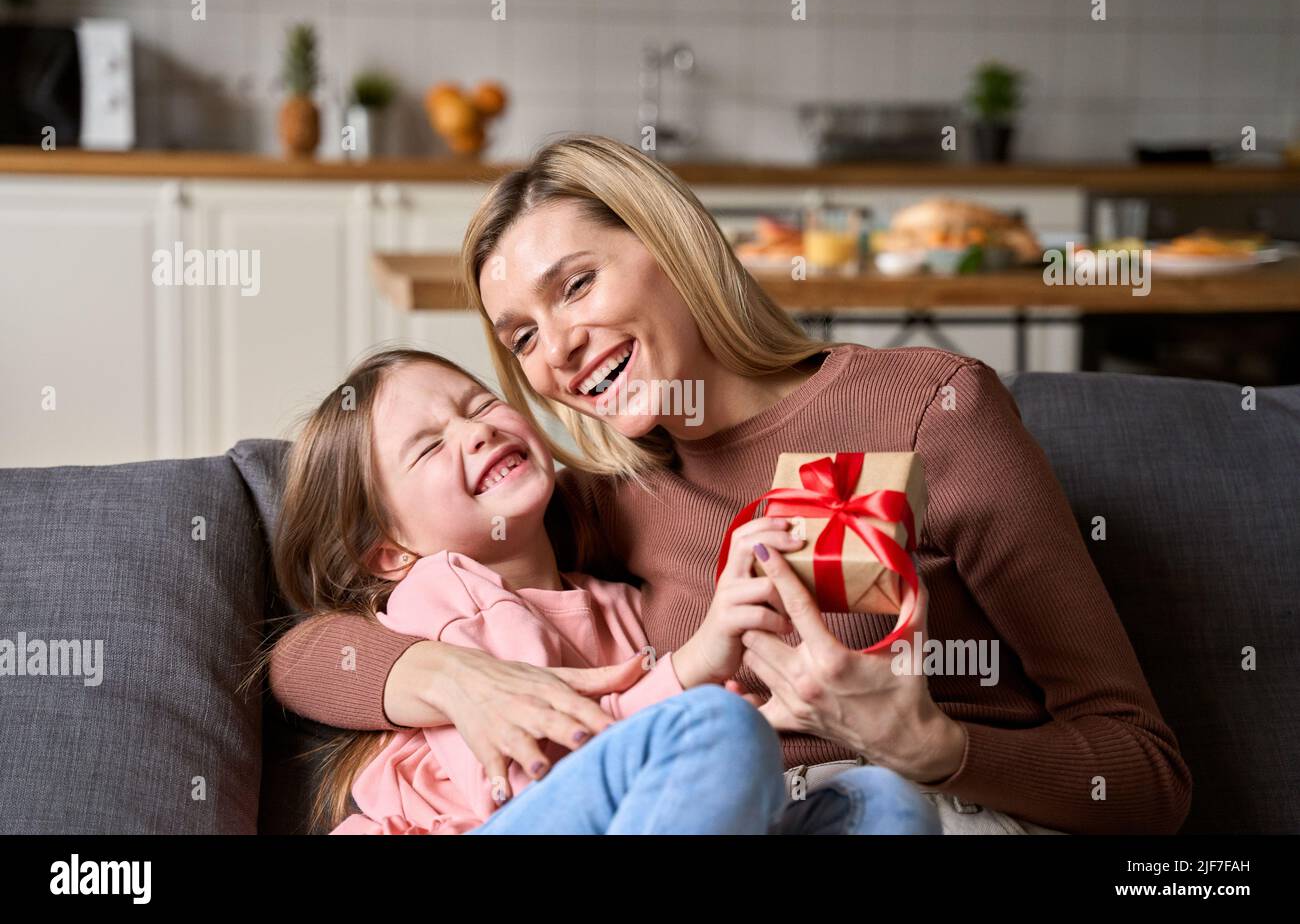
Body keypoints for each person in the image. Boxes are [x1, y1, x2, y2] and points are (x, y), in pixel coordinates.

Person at [270, 135, 1192, 834]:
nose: (554, 352)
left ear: (674, 247)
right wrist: (451, 677)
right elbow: (304, 655)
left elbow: (1147, 773)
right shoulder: (615, 494)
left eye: (577, 286)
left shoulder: (930, 414)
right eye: (519, 336)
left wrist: (935, 748)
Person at [275, 346, 940, 834]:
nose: (475, 430)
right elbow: (532, 769)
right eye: (427, 448)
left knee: (884, 802)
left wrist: (791, 712)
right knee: (718, 727)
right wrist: (693, 667)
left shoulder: (613, 602)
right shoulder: (437, 591)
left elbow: (664, 757)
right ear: (390, 551)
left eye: (479, 404)